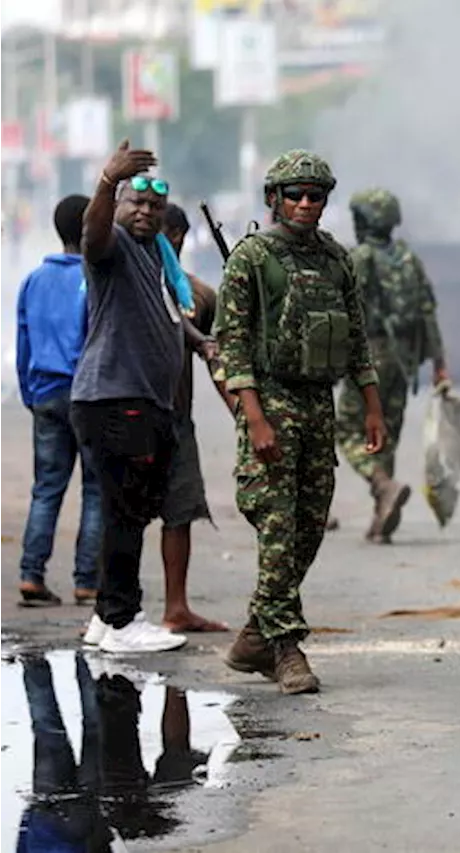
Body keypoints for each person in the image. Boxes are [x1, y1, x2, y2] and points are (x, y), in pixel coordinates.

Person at [216, 149, 387, 695]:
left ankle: (252, 637)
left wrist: (372, 405)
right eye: (296, 195)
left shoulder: (336, 259)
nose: (307, 204)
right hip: (271, 402)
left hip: (318, 406)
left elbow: (357, 338)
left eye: (316, 196)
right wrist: (256, 418)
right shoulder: (251, 259)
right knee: (278, 527)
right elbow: (233, 347)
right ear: (274, 199)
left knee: (310, 527)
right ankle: (286, 647)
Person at [74, 139, 189, 655]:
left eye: (155, 207)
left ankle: (104, 617)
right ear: (120, 207)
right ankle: (122, 619)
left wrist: (202, 343)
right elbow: (92, 234)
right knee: (127, 511)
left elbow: (168, 318)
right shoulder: (113, 246)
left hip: (138, 400)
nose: (145, 213)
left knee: (128, 508)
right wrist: (105, 181)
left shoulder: (153, 258)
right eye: (135, 203)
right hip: (118, 398)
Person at [336, 187, 448, 542]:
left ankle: (383, 486)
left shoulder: (361, 258)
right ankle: (382, 517)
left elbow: (344, 311)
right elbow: (428, 313)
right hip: (405, 360)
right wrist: (439, 364)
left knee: (348, 430)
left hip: (369, 357)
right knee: (384, 436)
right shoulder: (408, 258)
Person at [15, 194, 102, 608]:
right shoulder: (93, 276)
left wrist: (29, 392)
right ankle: (86, 580)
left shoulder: (34, 279)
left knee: (46, 489)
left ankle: (32, 574)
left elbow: (23, 341)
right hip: (86, 395)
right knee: (96, 489)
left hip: (45, 393)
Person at [156, 203, 236, 634]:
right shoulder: (122, 282)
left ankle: (176, 607)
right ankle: (110, 611)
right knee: (117, 514)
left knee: (180, 511)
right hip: (126, 415)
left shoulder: (197, 295)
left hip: (175, 418)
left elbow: (218, 360)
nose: (167, 241)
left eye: (173, 233)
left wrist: (245, 416)